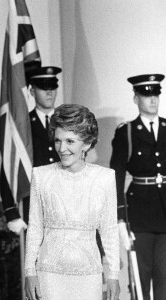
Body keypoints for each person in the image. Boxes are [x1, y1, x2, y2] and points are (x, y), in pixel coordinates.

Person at [25, 104, 120, 300]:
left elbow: (109, 231)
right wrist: (29, 272)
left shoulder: (105, 178)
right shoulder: (41, 176)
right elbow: (35, 228)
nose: (62, 148)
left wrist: (113, 275)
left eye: (70, 141)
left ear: (86, 143)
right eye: (58, 141)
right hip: (49, 275)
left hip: (88, 276)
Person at [110, 73, 166, 300]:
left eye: (156, 94)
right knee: (141, 277)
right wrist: (120, 219)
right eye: (146, 95)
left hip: (165, 215)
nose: (152, 100)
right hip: (140, 214)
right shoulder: (127, 132)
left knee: (164, 277)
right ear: (136, 98)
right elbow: (116, 176)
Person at [2, 65, 62, 234]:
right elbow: (8, 168)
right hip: (36, 204)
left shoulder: (69, 123)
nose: (49, 92)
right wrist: (11, 212)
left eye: (53, 86)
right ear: (32, 91)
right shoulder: (22, 126)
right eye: (43, 87)